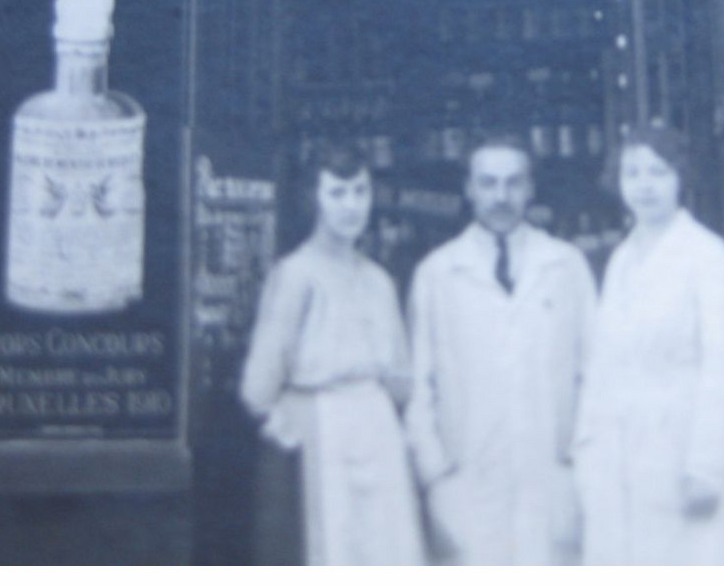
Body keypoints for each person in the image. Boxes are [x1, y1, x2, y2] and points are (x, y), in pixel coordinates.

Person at [573, 125, 724, 564]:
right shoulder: (621, 260)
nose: (644, 185)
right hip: (624, 451)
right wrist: (589, 450)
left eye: (658, 172)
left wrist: (706, 466)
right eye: (632, 173)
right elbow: (603, 365)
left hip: (685, 444)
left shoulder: (706, 255)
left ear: (681, 178)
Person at [405, 133, 596, 565]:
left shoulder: (567, 267)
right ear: (468, 188)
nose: (501, 196)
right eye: (488, 183)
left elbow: (596, 376)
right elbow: (418, 388)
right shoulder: (436, 274)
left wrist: (583, 463)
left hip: (553, 481)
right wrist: (435, 476)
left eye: (513, 183)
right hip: (467, 482)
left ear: (531, 188)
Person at [239, 140, 423, 565]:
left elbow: (400, 377)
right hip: (323, 432)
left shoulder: (379, 281)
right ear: (314, 199)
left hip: (378, 433)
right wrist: (288, 422)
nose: (351, 206)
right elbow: (259, 386)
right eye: (337, 193)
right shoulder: (296, 275)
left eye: (360, 192)